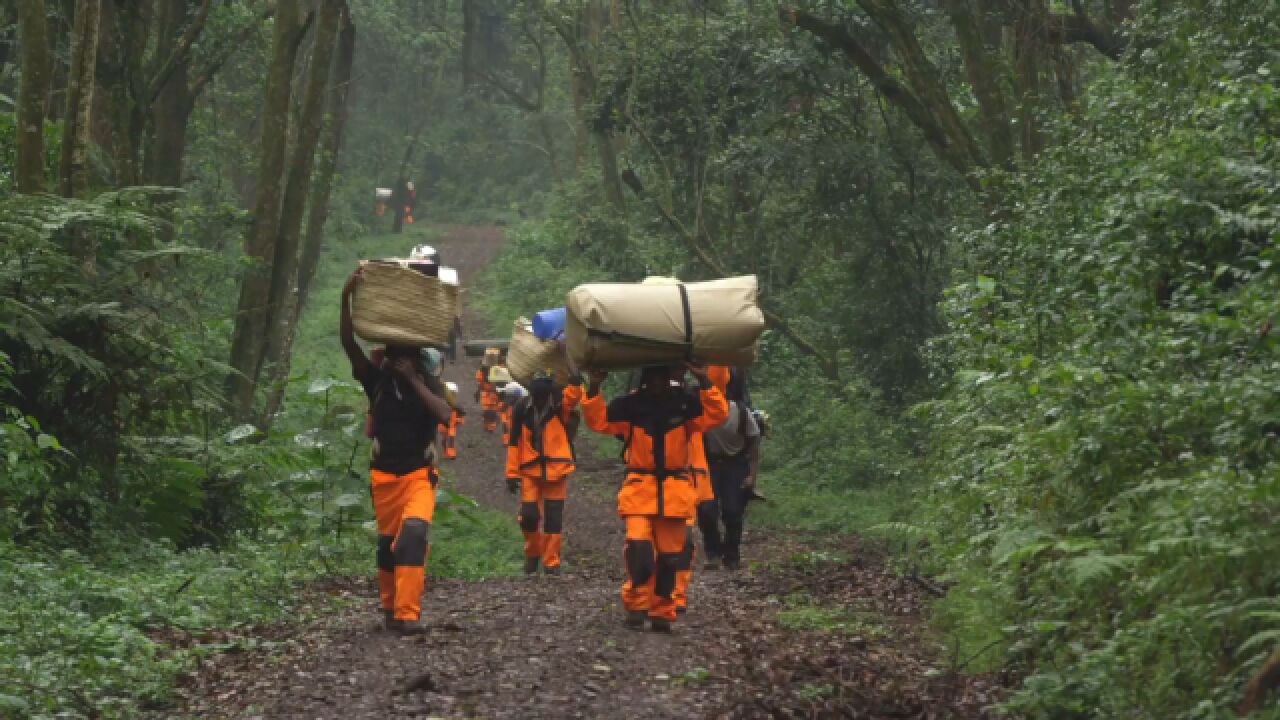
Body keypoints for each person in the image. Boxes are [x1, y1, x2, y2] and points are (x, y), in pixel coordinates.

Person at [340, 268, 451, 635]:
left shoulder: (426, 383)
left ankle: (408, 613)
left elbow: (445, 415)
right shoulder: (377, 383)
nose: (397, 361)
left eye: (405, 357)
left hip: (419, 475)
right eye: (393, 356)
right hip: (384, 477)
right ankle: (390, 608)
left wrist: (415, 381)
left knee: (414, 537)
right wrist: (346, 300)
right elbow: (349, 345)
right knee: (388, 546)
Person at [582, 363, 727, 632]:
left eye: (663, 377)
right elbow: (598, 421)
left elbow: (717, 415)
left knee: (671, 558)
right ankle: (637, 606)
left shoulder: (685, 407)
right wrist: (594, 385)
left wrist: (704, 380)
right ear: (646, 380)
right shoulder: (630, 407)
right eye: (653, 378)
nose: (659, 383)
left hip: (674, 492)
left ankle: (662, 610)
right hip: (640, 488)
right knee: (639, 549)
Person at [505, 371, 584, 575]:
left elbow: (573, 398)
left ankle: (551, 562)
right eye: (536, 395)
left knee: (553, 519)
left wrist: (575, 379)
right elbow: (514, 442)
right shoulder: (522, 408)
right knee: (528, 517)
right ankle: (533, 552)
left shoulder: (559, 405)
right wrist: (512, 474)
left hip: (557, 469)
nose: (540, 399)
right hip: (530, 470)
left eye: (543, 395)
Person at [697, 368, 761, 571]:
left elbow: (753, 442)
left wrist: (752, 474)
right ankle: (713, 552)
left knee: (733, 511)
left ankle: (732, 554)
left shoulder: (740, 411)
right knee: (706, 510)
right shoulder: (700, 409)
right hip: (709, 464)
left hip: (735, 464)